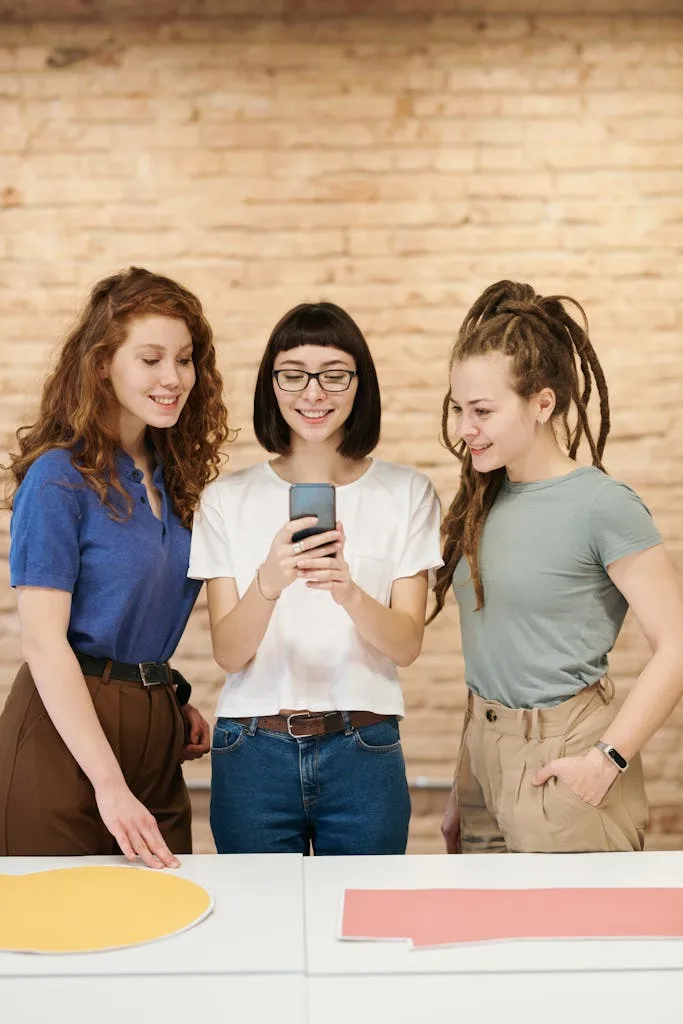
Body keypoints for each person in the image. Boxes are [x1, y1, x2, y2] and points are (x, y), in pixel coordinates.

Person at [432, 280, 683, 854]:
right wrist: (465, 779)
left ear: (543, 403)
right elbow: (494, 658)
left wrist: (607, 760)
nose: (466, 428)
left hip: (567, 763)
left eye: (484, 411)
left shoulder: (603, 505)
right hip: (482, 764)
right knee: (486, 942)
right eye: (459, 409)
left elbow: (676, 644)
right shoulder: (481, 502)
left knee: (578, 943)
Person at [188, 301, 442, 855]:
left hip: (364, 748)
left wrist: (349, 592)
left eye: (334, 375)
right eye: (293, 374)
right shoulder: (227, 499)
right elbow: (230, 654)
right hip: (252, 749)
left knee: (363, 926)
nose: (313, 393)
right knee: (260, 926)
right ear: (271, 385)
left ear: (359, 384)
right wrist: (268, 583)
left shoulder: (407, 493)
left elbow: (406, 645)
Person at [0, 266, 231, 868]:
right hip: (65, 741)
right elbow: (45, 644)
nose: (173, 378)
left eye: (184, 360)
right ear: (102, 362)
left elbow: (140, 609)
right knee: (59, 942)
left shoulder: (170, 476)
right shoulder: (59, 478)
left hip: (154, 739)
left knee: (166, 934)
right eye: (150, 359)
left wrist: (160, 694)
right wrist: (108, 785)